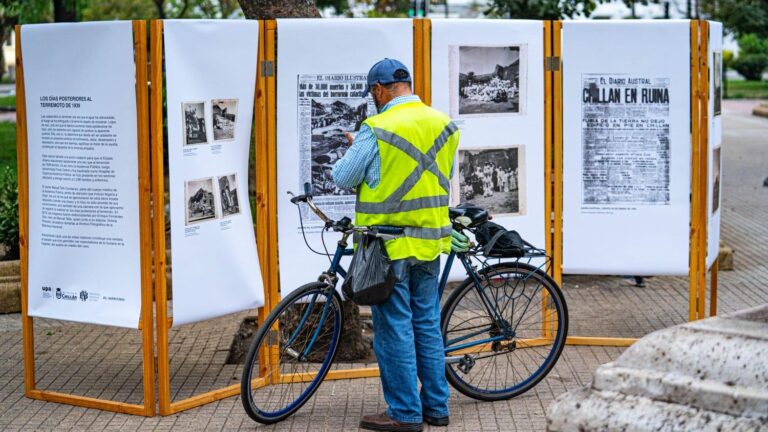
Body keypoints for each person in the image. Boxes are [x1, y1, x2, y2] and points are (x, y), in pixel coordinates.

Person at [332, 58, 460, 432]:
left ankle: (404, 413)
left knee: (394, 329)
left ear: (379, 90)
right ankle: (437, 408)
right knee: (427, 324)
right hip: (430, 243)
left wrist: (359, 147)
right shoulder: (444, 124)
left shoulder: (376, 127)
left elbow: (343, 177)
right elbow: (438, 174)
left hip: (389, 249)